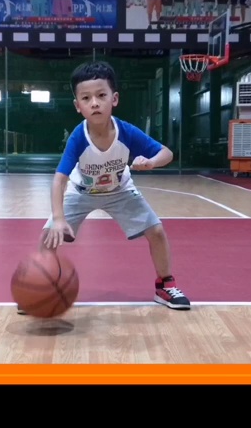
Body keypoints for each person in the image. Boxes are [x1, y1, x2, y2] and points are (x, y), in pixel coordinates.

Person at [21, 60, 191, 313]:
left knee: (156, 231)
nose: (94, 103)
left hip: (120, 191)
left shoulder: (127, 132)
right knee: (49, 235)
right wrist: (58, 218)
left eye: (101, 95)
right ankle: (42, 287)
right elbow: (59, 179)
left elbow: (166, 153)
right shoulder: (79, 137)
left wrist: (151, 162)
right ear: (78, 106)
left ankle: (165, 285)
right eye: (86, 98)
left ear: (115, 99)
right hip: (81, 192)